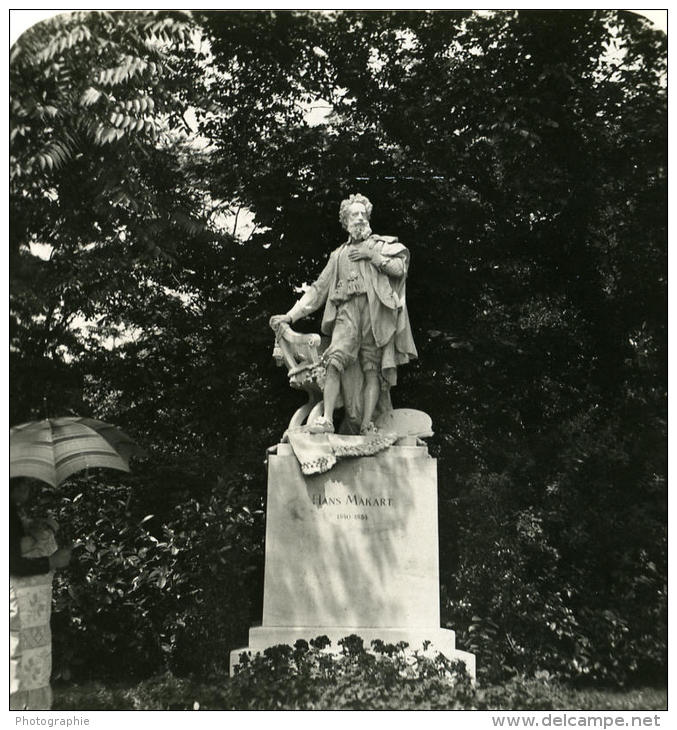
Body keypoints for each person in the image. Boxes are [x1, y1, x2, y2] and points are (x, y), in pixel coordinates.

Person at [270, 193, 417, 434]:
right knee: (334, 362)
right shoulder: (338, 256)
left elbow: (400, 268)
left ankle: (368, 425)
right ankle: (327, 419)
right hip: (346, 313)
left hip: (374, 314)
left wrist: (373, 257)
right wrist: (290, 316)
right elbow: (317, 291)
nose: (359, 218)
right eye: (354, 214)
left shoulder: (379, 245)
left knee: (373, 369)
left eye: (363, 214)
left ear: (368, 218)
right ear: (346, 221)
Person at [10, 477, 72, 710]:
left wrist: (35, 531)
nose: (27, 490)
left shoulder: (11, 513)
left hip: (18, 600)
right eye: (21, 486)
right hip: (15, 598)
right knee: (17, 657)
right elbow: (12, 561)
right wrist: (50, 562)